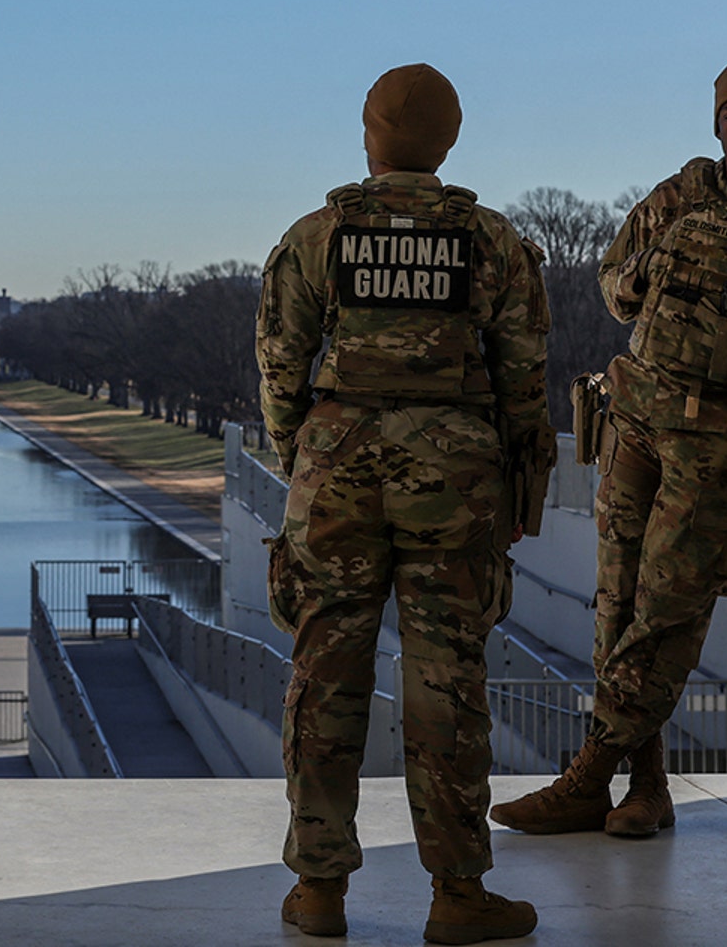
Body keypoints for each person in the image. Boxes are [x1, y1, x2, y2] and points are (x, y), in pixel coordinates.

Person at [491, 55, 727, 841]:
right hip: (635, 421)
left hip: (719, 443)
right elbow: (614, 287)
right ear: (717, 123)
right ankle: (644, 788)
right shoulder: (679, 195)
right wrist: (655, 269)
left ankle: (587, 777)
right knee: (616, 614)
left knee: (667, 616)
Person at [257, 63, 549, 943]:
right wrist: (506, 480)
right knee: (446, 684)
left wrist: (304, 458)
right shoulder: (493, 243)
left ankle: (318, 890)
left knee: (324, 678)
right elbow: (525, 384)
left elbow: (280, 370)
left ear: (367, 131)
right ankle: (458, 895)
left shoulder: (316, 235)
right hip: (453, 480)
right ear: (450, 139)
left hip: (336, 469)